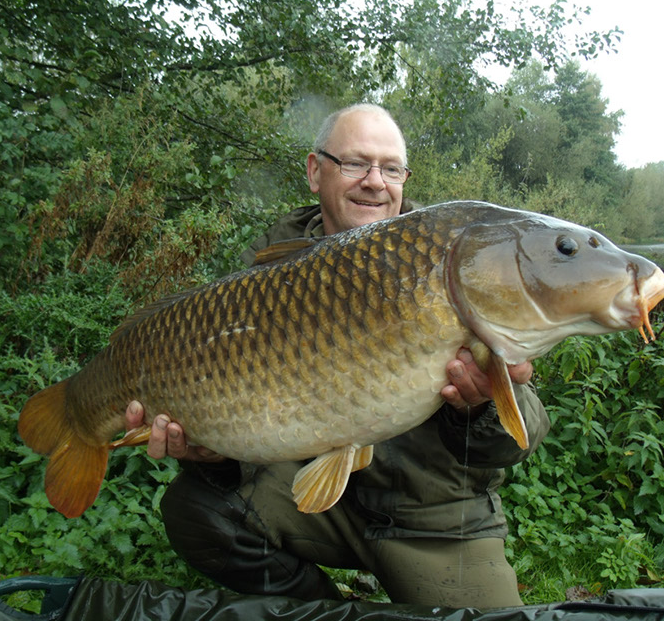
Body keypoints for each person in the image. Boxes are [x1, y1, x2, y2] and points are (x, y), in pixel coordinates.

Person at [125, 104, 550, 609]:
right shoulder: (264, 276)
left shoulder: (450, 260)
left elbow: (517, 440)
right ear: (314, 171)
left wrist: (478, 408)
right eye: (355, 163)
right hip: (316, 504)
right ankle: (323, 609)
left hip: (435, 520)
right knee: (200, 510)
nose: (375, 181)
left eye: (391, 168)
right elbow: (243, 422)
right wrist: (212, 453)